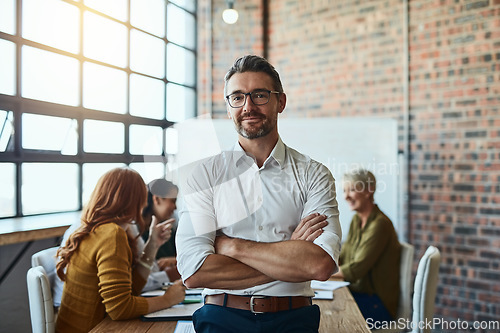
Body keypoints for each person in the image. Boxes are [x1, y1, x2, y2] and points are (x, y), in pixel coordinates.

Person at [176, 55, 342, 333]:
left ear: (281, 102)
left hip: (294, 320)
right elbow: (194, 272)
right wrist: (289, 251)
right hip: (221, 318)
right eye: (238, 97)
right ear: (229, 108)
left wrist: (231, 246)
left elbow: (319, 265)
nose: (248, 106)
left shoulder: (314, 174)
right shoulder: (204, 176)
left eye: (260, 95)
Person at [55, 167, 185, 333]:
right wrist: (167, 299)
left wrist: (152, 245)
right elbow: (119, 309)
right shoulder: (112, 234)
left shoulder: (99, 228)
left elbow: (131, 289)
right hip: (93, 328)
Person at [333, 169, 401, 322]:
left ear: (369, 190)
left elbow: (356, 269)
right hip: (359, 294)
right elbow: (342, 258)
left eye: (352, 189)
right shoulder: (356, 221)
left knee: (330, 315)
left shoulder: (380, 224)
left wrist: (319, 273)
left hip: (377, 304)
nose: (346, 196)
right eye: (344, 190)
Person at [141, 178, 181, 281]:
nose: (175, 207)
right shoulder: (136, 232)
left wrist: (175, 261)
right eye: (172, 201)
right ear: (157, 199)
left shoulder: (170, 230)